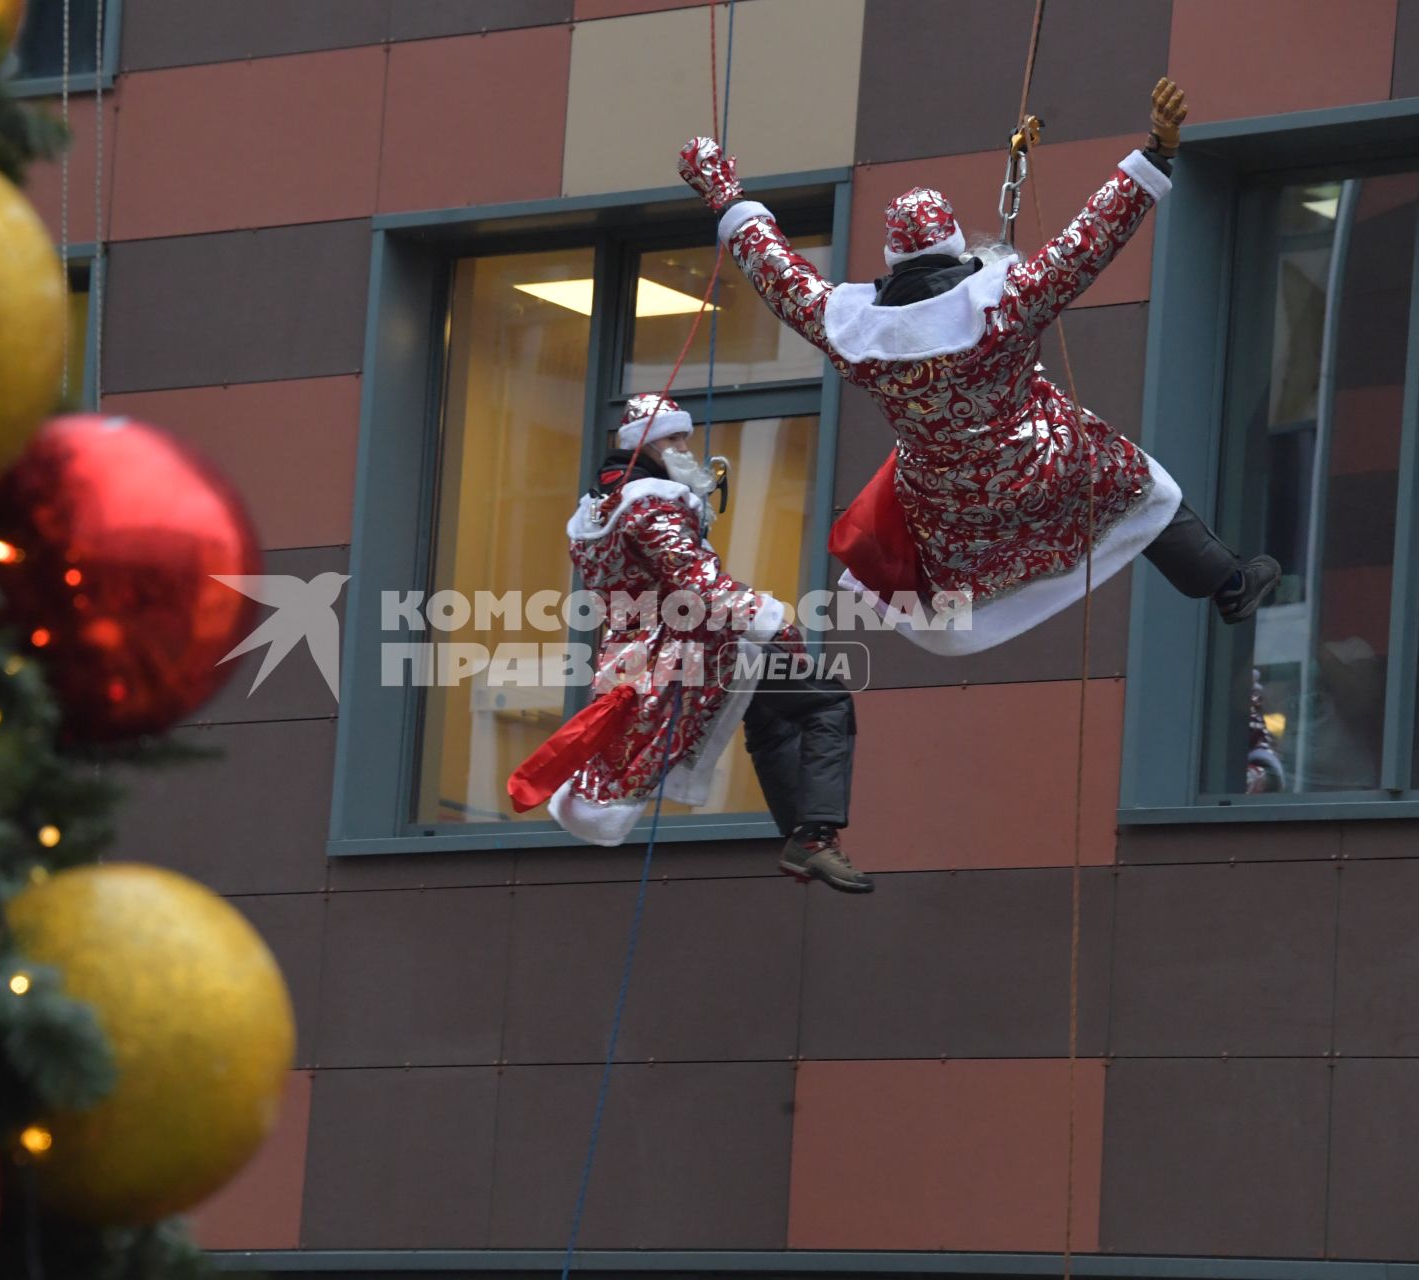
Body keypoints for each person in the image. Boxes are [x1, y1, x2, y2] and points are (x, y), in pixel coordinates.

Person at [675, 77, 1278, 655]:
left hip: (949, 511)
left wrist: (724, 195)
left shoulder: (849, 332)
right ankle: (1228, 584)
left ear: (892, 259)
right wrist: (1156, 155)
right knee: (1137, 482)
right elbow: (1088, 240)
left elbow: (775, 270)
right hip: (1050, 471)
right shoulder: (1007, 301)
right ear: (956, 247)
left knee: (913, 491)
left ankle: (962, 617)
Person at [508, 394, 872, 893]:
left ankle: (805, 840)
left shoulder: (598, 511)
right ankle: (812, 837)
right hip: (694, 650)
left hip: (645, 653)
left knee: (772, 718)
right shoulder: (652, 503)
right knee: (826, 701)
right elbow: (698, 586)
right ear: (648, 445)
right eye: (675, 438)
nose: (685, 446)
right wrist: (776, 625)